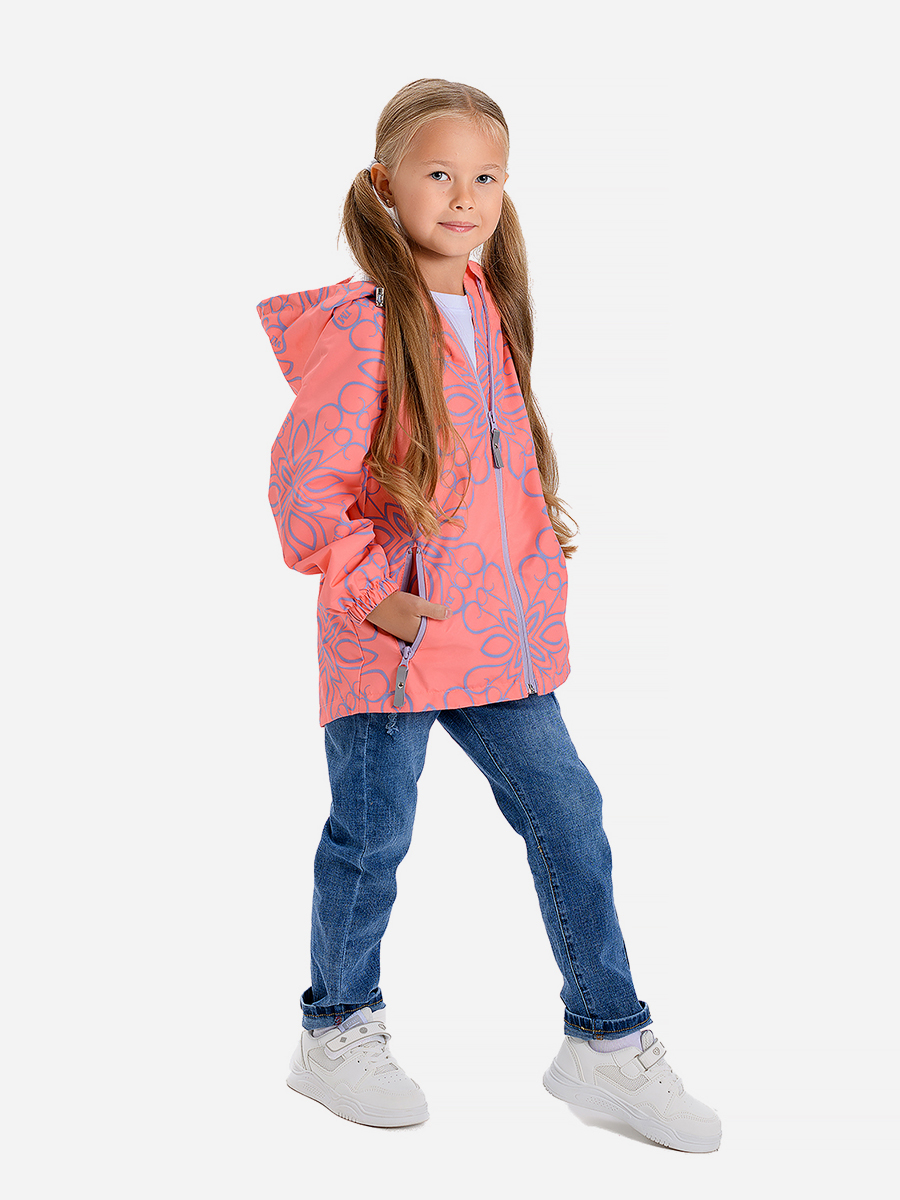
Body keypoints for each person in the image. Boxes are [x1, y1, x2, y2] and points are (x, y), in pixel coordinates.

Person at [256, 78, 721, 1152]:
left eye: (487, 176)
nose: (465, 196)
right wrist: (377, 599)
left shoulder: (490, 308)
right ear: (384, 186)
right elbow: (304, 492)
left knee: (570, 815)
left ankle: (605, 1040)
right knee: (373, 837)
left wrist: (537, 559)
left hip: (494, 641)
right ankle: (334, 1029)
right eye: (439, 173)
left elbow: (497, 475)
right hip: (394, 641)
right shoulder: (366, 327)